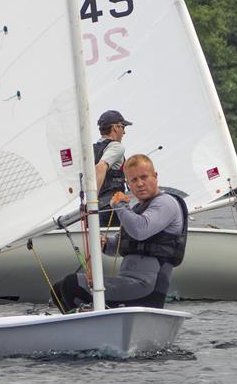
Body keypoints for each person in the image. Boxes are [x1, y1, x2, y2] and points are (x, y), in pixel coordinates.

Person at [52, 154, 188, 311]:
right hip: (128, 284)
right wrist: (105, 243)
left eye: (144, 177)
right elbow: (118, 245)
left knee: (72, 284)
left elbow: (140, 230)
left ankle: (88, 324)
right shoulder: (138, 209)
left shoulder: (166, 203)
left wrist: (120, 206)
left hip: (147, 288)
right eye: (134, 180)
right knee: (58, 289)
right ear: (128, 184)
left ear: (155, 176)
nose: (140, 184)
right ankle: (83, 326)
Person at [94, 110, 132, 227]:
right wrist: (92, 200)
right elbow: (100, 168)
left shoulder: (92, 150)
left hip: (97, 210)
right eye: (123, 127)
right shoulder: (117, 147)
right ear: (115, 127)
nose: (124, 132)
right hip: (111, 208)